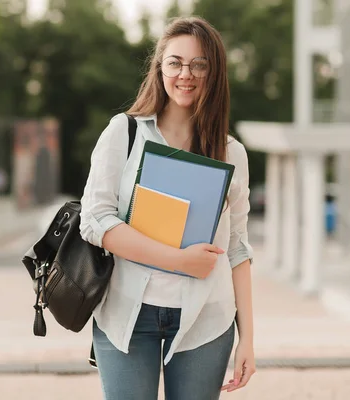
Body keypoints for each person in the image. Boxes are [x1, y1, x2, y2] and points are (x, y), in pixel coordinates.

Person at [80, 16, 256, 400]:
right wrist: (179, 260)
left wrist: (249, 340)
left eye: (199, 64)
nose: (185, 74)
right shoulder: (123, 134)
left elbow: (238, 248)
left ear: (215, 72)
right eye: (175, 62)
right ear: (159, 68)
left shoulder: (232, 154)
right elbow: (95, 221)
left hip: (206, 319)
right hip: (127, 313)